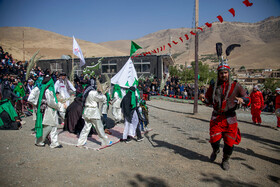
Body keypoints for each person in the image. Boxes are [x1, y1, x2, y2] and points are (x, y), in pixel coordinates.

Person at [201, 61, 249, 170]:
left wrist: (243, 100)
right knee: (214, 141)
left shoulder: (236, 86)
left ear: (229, 73)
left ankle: (226, 159)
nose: (223, 75)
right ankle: (215, 150)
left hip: (230, 118)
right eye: (221, 73)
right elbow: (208, 100)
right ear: (218, 74)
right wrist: (203, 99)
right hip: (217, 117)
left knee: (229, 143)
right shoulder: (213, 86)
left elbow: (247, 98)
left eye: (225, 73)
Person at [33, 76, 62, 148]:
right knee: (48, 127)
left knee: (53, 127)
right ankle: (39, 141)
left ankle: (54, 143)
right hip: (49, 110)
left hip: (49, 110)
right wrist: (58, 105)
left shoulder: (44, 89)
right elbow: (50, 102)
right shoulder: (48, 91)